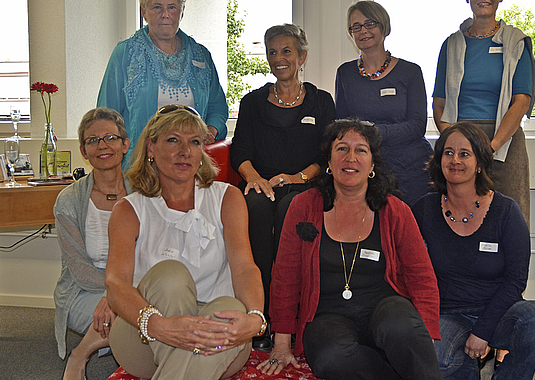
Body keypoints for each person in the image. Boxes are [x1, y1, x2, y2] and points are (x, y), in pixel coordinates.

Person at [259, 119, 442, 380]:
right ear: (329, 162)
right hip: (326, 315)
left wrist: (426, 339)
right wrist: (281, 343)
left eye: (361, 150)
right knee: (330, 358)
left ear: (372, 164)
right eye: (342, 149)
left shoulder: (395, 210)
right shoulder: (302, 207)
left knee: (404, 329)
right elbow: (285, 277)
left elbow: (421, 277)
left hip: (386, 308)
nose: (351, 158)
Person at [104, 105, 265, 380]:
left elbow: (244, 268)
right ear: (151, 148)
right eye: (172, 140)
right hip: (146, 336)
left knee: (232, 309)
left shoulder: (227, 198)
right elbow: (115, 284)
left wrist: (254, 317)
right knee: (170, 276)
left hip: (221, 338)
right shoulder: (128, 210)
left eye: (194, 142)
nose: (185, 151)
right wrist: (156, 325)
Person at [411, 122, 535, 380]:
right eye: (448, 153)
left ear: (480, 163)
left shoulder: (506, 211)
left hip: (501, 310)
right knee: (435, 361)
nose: (455, 160)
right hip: (449, 314)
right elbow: (408, 268)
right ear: (438, 161)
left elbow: (516, 280)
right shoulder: (424, 210)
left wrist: (482, 331)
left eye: (465, 154)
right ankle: (469, 363)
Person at [230, 24, 336, 348]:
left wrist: (297, 178)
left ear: (301, 56)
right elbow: (240, 152)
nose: (279, 58)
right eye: (272, 52)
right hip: (260, 184)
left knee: (293, 209)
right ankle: (260, 317)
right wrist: (254, 178)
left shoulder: (321, 102)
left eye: (286, 51)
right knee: (256, 211)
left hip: (304, 184)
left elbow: (327, 153)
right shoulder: (252, 103)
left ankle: (288, 318)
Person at [432, 0, 535, 226]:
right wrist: (454, 142)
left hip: (504, 141)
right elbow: (439, 103)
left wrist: (491, 147)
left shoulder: (516, 42)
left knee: (510, 220)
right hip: (460, 141)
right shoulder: (451, 45)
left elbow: (521, 101)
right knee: (459, 217)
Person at [97, 0, 228, 167]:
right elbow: (106, 116)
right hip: (139, 167)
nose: (165, 14)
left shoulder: (201, 55)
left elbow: (218, 107)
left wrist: (210, 130)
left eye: (172, 7)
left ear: (181, 12)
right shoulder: (125, 53)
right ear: (143, 11)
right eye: (157, 7)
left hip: (189, 166)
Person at [54, 107, 132, 380]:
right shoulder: (68, 201)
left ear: (125, 144)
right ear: (83, 151)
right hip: (83, 292)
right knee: (135, 314)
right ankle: (83, 355)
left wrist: (117, 293)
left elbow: (150, 254)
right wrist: (116, 292)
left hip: (132, 285)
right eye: (92, 140)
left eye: (110, 137)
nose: (102, 145)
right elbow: (80, 269)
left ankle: (83, 351)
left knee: (151, 307)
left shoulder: (145, 192)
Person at [335, 0, 433, 207]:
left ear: (384, 27)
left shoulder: (410, 72)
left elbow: (417, 126)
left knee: (414, 231)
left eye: (370, 24)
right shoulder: (345, 73)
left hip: (410, 167)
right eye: (356, 26)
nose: (363, 31)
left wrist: (373, 131)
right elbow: (342, 125)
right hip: (366, 168)